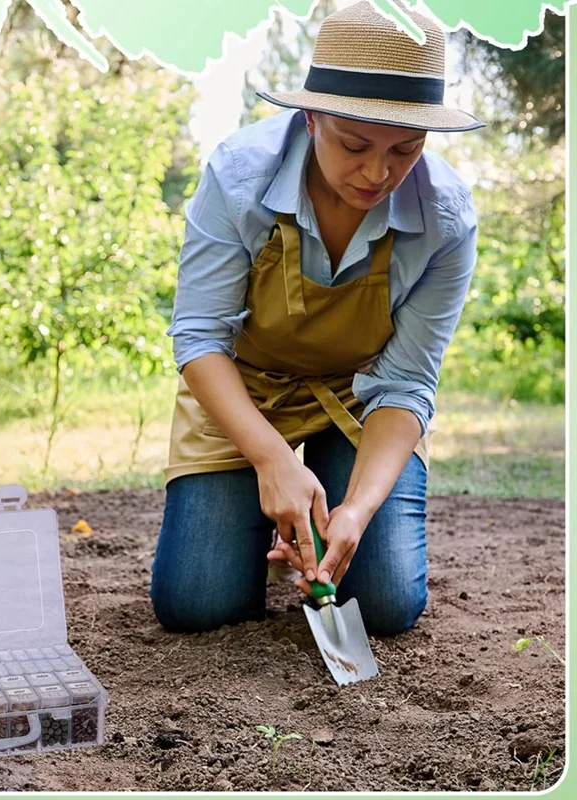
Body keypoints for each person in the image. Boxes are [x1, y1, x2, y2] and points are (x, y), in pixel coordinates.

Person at [149, 1, 485, 636]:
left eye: (405, 150)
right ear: (310, 117)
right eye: (355, 144)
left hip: (359, 401)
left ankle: (314, 516)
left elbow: (409, 382)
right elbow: (198, 336)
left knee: (385, 605)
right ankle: (258, 523)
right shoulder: (239, 176)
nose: (378, 173)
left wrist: (356, 511)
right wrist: (272, 460)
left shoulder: (447, 219)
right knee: (196, 604)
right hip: (242, 392)